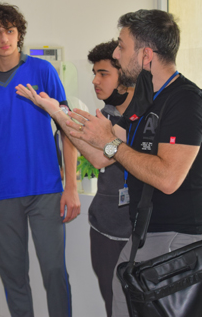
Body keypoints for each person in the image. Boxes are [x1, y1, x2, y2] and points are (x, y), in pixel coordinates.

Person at [16, 9, 202, 317]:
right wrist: (56, 113)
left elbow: (167, 177)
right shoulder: (145, 100)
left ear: (146, 54)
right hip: (145, 235)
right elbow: (100, 155)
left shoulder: (185, 100)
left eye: (122, 47)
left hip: (179, 239)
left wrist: (110, 141)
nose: (116, 54)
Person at [0, 3, 79, 317]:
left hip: (45, 189)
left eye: (10, 31)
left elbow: (67, 127)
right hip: (1, 194)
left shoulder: (42, 71)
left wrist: (71, 186)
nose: (4, 39)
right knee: (13, 276)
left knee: (54, 272)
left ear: (19, 34)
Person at [86, 40, 134, 317]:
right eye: (94, 73)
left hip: (143, 232)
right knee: (112, 303)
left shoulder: (149, 118)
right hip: (105, 229)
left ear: (125, 76)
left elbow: (102, 157)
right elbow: (97, 159)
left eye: (103, 73)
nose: (95, 80)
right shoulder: (100, 119)